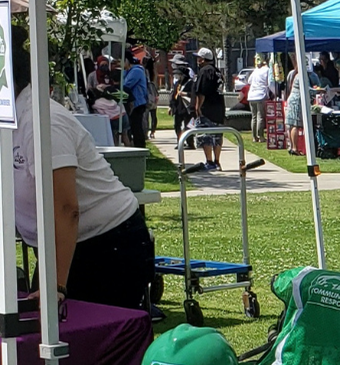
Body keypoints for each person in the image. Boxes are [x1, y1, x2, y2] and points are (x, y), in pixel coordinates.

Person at [11, 30, 155, 311]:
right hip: (64, 246)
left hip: (108, 246)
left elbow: (66, 208)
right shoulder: (12, 119)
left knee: (80, 334)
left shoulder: (41, 121)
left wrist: (56, 287)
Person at [190, 47, 226, 171]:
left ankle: (209, 162)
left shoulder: (204, 71)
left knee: (206, 135)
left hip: (207, 108)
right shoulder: (217, 71)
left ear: (203, 59)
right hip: (219, 107)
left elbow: (202, 91)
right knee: (217, 135)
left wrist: (198, 106)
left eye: (199, 58)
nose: (197, 60)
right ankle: (217, 161)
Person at [122, 54, 150, 149]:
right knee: (133, 126)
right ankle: (135, 144)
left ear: (127, 61)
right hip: (133, 103)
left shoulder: (136, 71)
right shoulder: (129, 71)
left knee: (136, 126)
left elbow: (126, 84)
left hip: (138, 103)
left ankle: (140, 146)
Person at [245, 56, 274, 142]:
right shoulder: (268, 70)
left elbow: (249, 81)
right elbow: (270, 83)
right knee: (260, 116)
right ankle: (261, 136)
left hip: (251, 95)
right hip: (261, 94)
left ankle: (254, 137)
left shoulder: (256, 70)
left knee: (254, 117)